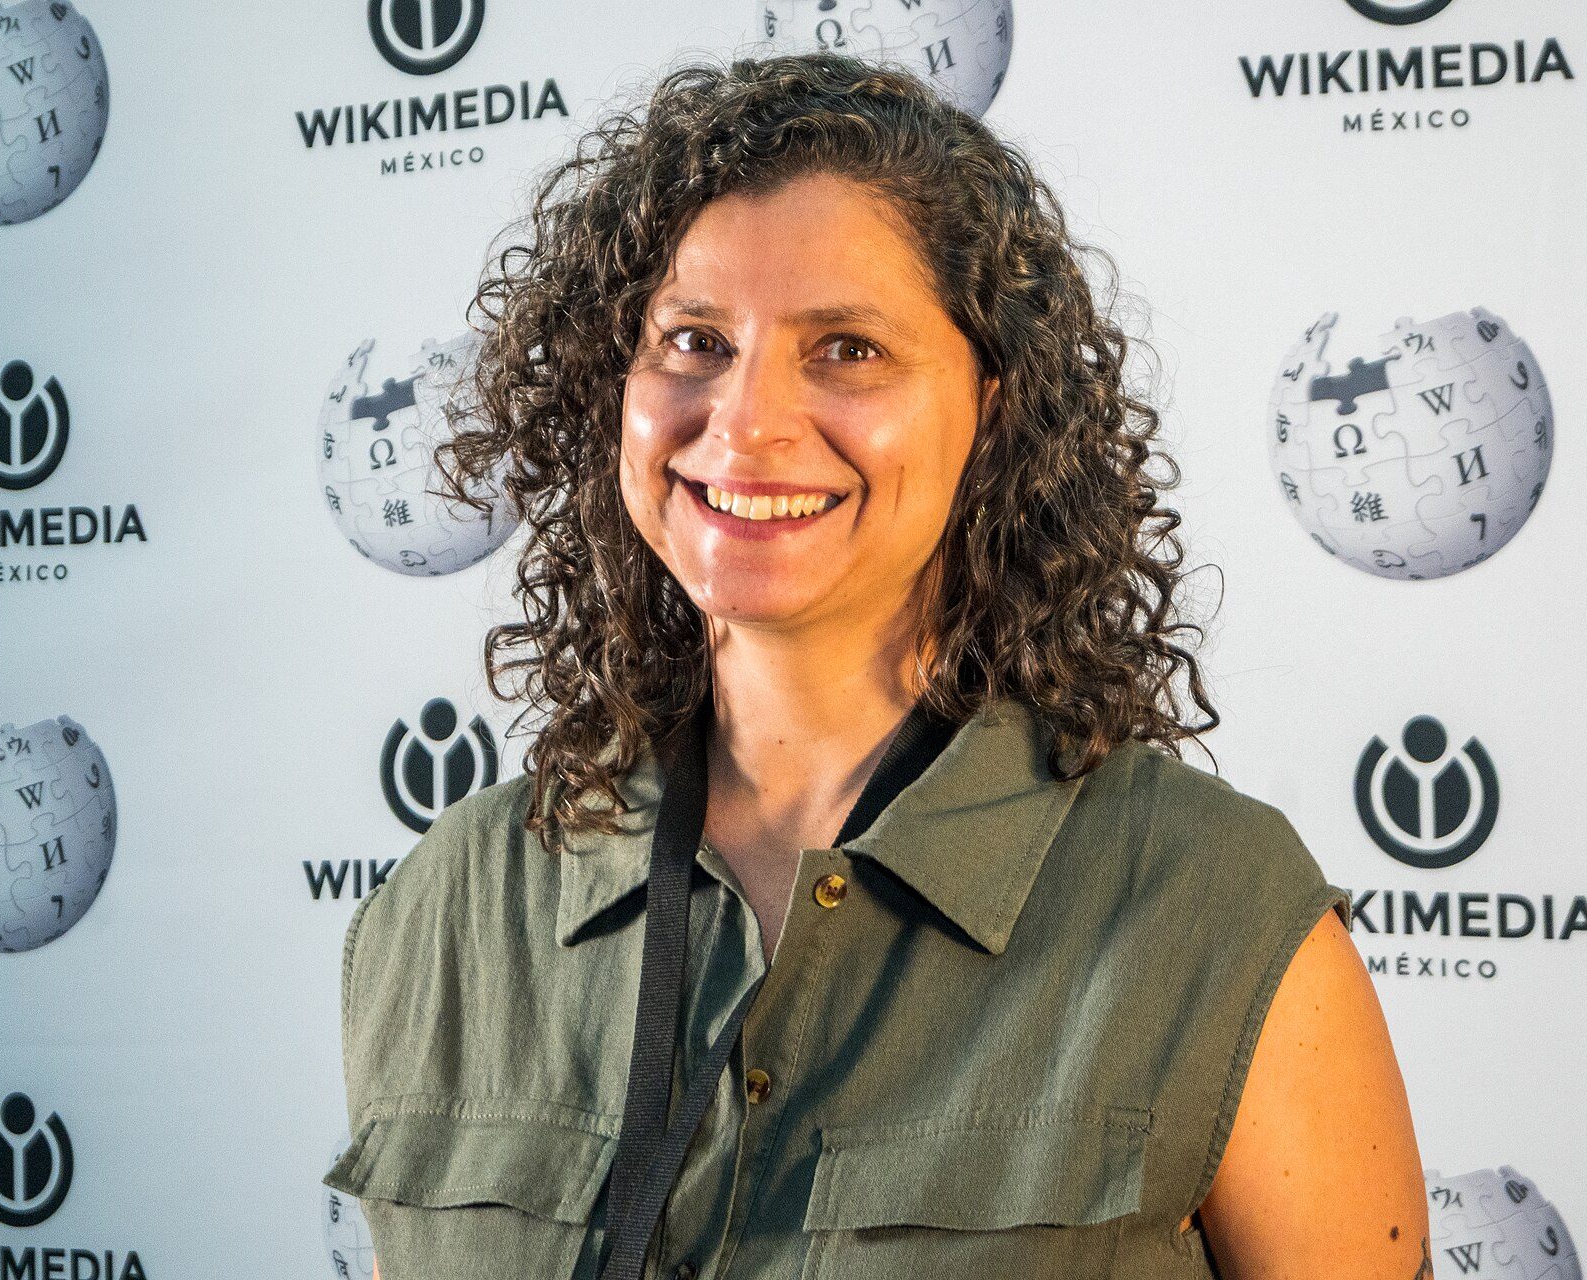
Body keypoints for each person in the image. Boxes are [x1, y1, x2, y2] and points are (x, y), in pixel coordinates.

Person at [326, 52, 1430, 1280]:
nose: (743, 423)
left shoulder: (1213, 906)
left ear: (994, 413)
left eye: (847, 348)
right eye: (693, 338)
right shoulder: (441, 910)